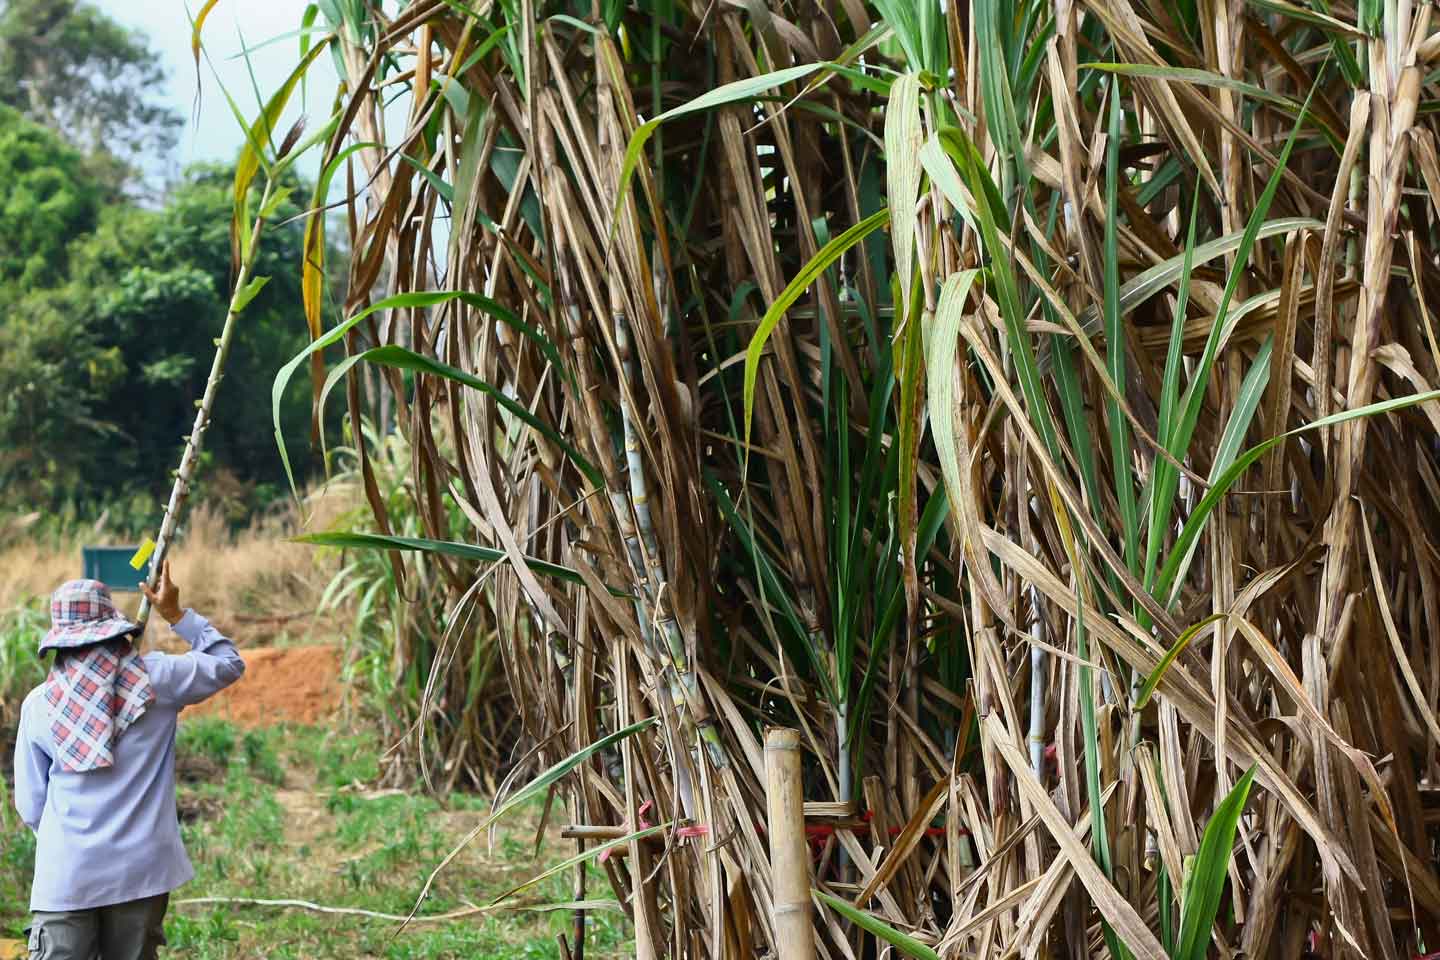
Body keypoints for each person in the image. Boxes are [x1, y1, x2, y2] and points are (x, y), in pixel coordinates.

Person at [12, 561, 245, 960]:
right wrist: (177, 615)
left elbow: (32, 805)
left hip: (66, 877)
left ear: (60, 643)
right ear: (114, 630)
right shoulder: (158, 681)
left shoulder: (40, 704)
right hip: (141, 873)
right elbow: (228, 663)